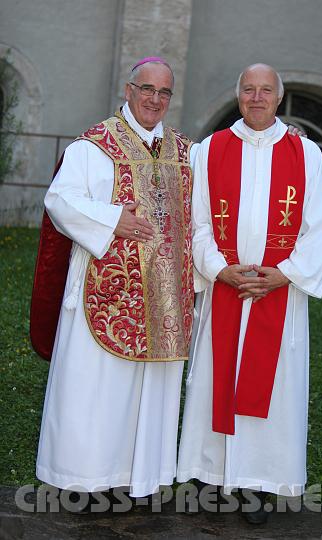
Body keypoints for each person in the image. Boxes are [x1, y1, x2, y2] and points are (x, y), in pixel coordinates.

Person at [32, 57, 199, 504]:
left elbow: (226, 164)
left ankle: (139, 479)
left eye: (164, 93)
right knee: (97, 391)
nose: (155, 100)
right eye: (147, 89)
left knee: (150, 395)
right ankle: (85, 480)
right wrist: (111, 221)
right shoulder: (94, 145)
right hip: (105, 295)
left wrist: (284, 133)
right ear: (129, 90)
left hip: (163, 300)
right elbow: (60, 200)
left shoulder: (186, 152)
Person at [176, 63, 322, 523]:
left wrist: (283, 274)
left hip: (277, 295)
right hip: (226, 288)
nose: (257, 97)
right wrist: (221, 270)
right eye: (249, 89)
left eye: (266, 90)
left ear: (279, 98)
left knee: (272, 389)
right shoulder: (209, 151)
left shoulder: (305, 155)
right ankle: (211, 473)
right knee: (214, 380)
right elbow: (198, 222)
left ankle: (256, 483)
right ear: (238, 95)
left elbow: (318, 228)